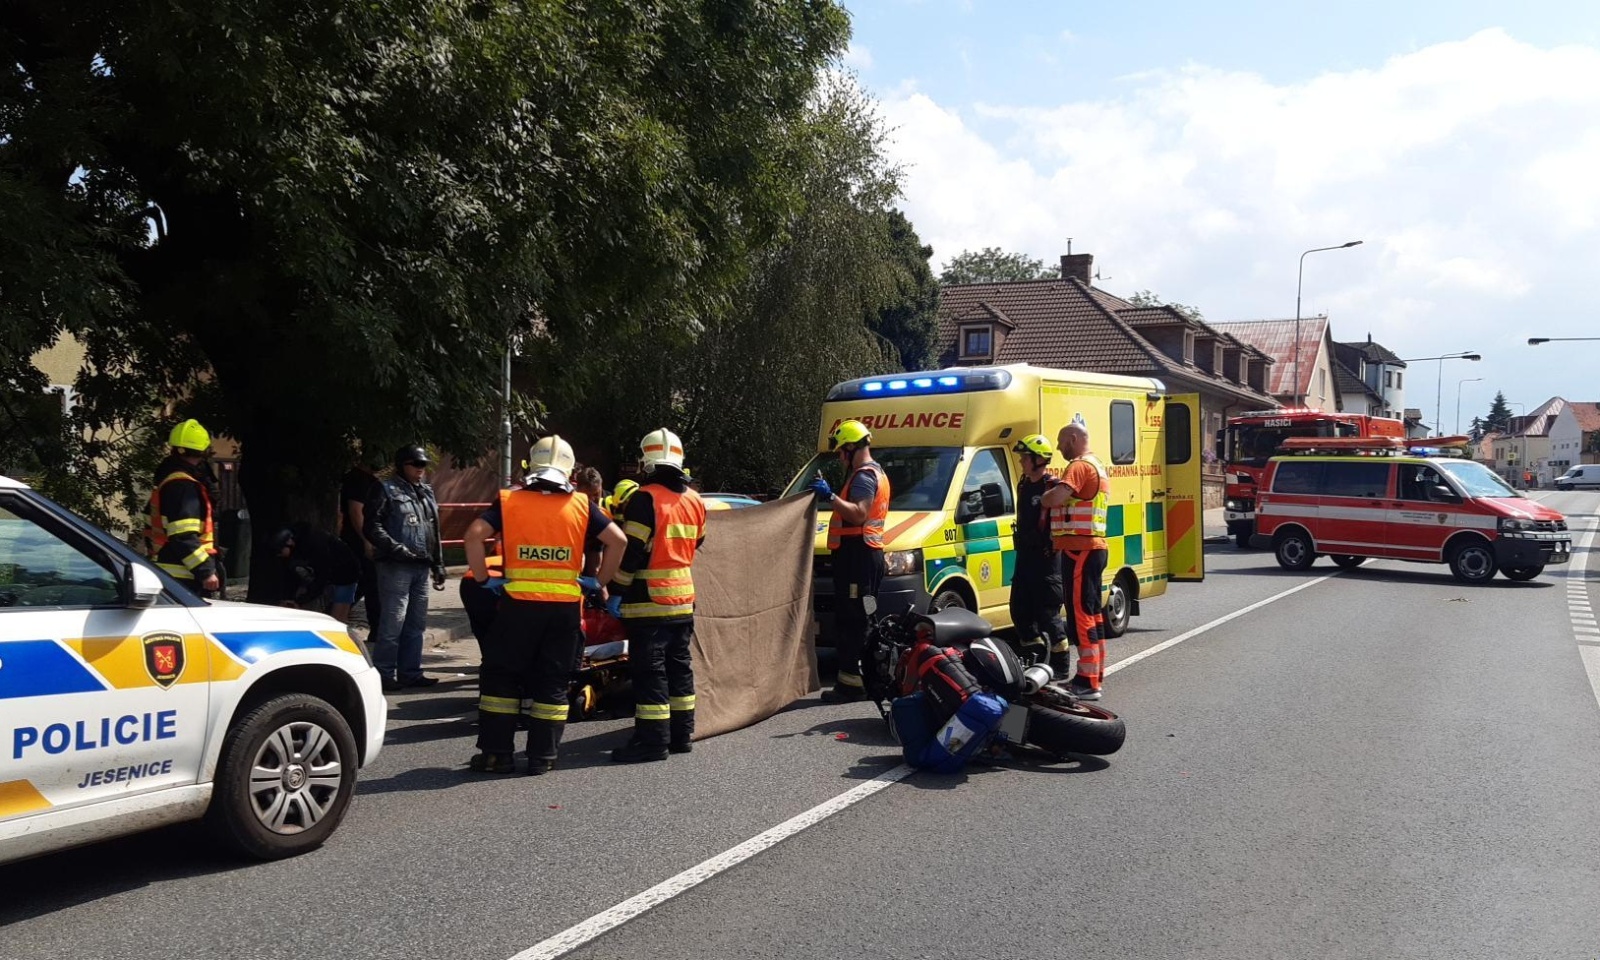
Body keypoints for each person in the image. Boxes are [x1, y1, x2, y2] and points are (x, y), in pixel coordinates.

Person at [461, 436, 625, 774]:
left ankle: (496, 753)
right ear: (569, 469)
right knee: (552, 680)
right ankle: (543, 756)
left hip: (517, 606)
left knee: (501, 678)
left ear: (531, 466)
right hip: (563, 609)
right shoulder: (581, 505)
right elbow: (617, 541)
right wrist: (599, 582)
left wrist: (482, 578)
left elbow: (473, 535)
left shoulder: (510, 501)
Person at [610, 428, 708, 762]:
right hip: (683, 600)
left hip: (648, 603)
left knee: (650, 673)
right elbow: (698, 543)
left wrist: (616, 590)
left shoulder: (644, 498)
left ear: (646, 461)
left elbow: (632, 551)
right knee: (680, 669)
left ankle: (652, 743)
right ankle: (682, 737)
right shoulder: (694, 499)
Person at [808, 418, 889, 703]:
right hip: (862, 558)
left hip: (859, 558)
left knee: (855, 620)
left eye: (843, 451)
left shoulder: (864, 476)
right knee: (861, 616)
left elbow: (859, 513)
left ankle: (852, 685)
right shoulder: (869, 473)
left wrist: (830, 495)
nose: (841, 457)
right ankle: (862, 678)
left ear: (853, 447)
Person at [364, 444, 447, 691]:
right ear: (403, 465)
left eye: (423, 465)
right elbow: (372, 526)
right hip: (395, 565)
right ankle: (384, 672)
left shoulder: (427, 492)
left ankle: (410, 672)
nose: (421, 469)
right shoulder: (384, 489)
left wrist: (439, 563)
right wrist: (396, 548)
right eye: (416, 464)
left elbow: (434, 529)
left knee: (416, 623)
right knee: (393, 621)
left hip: (421, 565)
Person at [1040, 417, 1110, 700]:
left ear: (1072, 438)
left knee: (1080, 614)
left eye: (1060, 442)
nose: (1058, 448)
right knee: (1092, 614)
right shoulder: (1097, 465)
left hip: (1080, 549)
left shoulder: (1080, 466)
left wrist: (1044, 496)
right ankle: (1093, 675)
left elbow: (1055, 499)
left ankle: (1087, 682)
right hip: (1090, 547)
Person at [146, 418, 224, 598]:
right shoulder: (182, 485)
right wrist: (205, 571)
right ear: (204, 451)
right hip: (184, 578)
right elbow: (183, 535)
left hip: (172, 573)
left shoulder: (169, 480)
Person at [1009, 434, 1066, 668]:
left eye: (1025, 457)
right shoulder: (1024, 483)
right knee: (1020, 612)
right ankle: (1037, 661)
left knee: (1048, 616)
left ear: (1038, 459)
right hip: (1025, 559)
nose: (1021, 461)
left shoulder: (1052, 486)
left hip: (1046, 561)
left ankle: (1061, 668)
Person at [269, 524, 360, 623]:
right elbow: (289, 576)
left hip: (345, 573)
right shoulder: (294, 546)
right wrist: (290, 598)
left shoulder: (316, 545)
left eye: (279, 551)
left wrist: (302, 600)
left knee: (337, 617)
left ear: (289, 543)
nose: (279, 555)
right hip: (319, 573)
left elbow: (322, 577)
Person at [338, 456, 381, 629]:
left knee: (368, 583)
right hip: (357, 540)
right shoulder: (358, 480)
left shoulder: (368, 480)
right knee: (366, 582)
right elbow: (356, 512)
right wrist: (367, 540)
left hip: (363, 538)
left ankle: (376, 628)